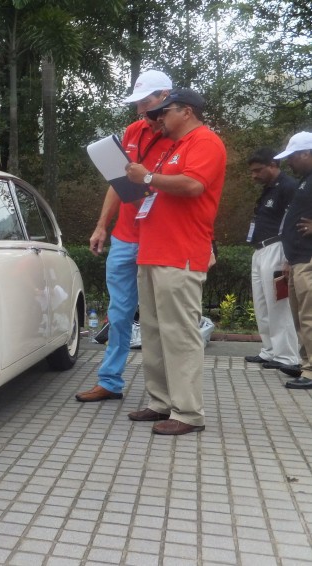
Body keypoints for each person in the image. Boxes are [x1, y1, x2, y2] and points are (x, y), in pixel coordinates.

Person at [123, 88, 226, 435]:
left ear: (186, 111)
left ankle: (188, 413)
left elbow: (193, 186)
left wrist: (148, 177)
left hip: (179, 254)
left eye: (165, 112)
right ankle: (161, 402)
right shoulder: (173, 147)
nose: (158, 118)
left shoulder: (205, 142)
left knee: (179, 334)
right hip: (153, 252)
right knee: (152, 332)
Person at [76, 70, 175, 403]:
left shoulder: (184, 135)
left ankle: (167, 392)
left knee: (160, 316)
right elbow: (117, 181)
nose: (139, 111)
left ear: (165, 97)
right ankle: (110, 381)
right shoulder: (134, 131)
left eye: (144, 103)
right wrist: (102, 224)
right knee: (119, 313)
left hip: (161, 235)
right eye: (137, 104)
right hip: (125, 235)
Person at [243, 149, 300, 372]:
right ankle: (269, 349)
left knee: (279, 303)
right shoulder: (268, 190)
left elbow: (293, 222)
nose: (254, 175)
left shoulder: (288, 187)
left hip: (277, 248)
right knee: (262, 303)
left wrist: (288, 257)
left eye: (258, 170)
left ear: (273, 165)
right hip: (260, 250)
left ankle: (286, 355)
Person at [272, 132, 312, 388]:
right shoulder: (305, 181)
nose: (289, 163)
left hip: (309, 259)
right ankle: (306, 363)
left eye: (293, 157)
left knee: (310, 317)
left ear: (307, 153)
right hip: (298, 258)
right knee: (301, 316)